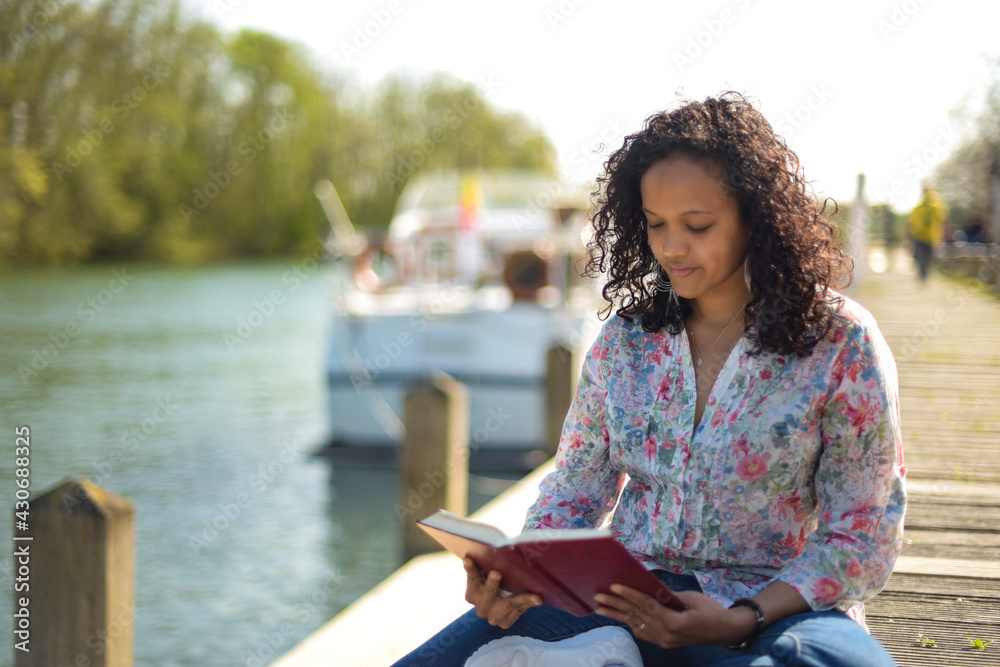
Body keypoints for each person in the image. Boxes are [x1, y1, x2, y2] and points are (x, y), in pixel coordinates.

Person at [392, 92, 906, 667]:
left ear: (756, 218)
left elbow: (859, 530)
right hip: (626, 599)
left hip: (778, 606)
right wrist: (519, 574)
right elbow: (575, 489)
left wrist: (744, 616)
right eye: (655, 224)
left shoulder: (840, 342)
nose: (671, 246)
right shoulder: (626, 341)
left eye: (698, 225)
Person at [908, 184, 948, 281]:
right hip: (920, 236)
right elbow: (911, 224)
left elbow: (941, 222)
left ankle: (924, 272)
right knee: (921, 256)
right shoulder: (918, 208)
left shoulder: (935, 208)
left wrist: (941, 236)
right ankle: (922, 273)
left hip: (931, 237)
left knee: (928, 257)